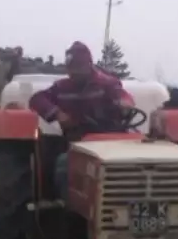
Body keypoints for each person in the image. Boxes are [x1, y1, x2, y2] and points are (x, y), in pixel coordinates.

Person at [28, 42, 134, 201]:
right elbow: (37, 99)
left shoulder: (107, 84)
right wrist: (57, 113)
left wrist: (125, 104)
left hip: (111, 142)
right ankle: (69, 208)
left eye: (79, 67)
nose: (75, 72)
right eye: (71, 68)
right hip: (79, 144)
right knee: (64, 165)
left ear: (89, 65)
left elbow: (123, 96)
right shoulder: (62, 88)